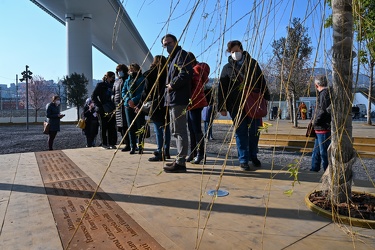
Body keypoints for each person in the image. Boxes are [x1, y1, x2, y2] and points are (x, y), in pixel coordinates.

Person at [218, 40, 270, 171]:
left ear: (242, 50)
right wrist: (222, 106)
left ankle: (253, 155)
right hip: (236, 105)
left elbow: (261, 80)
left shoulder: (252, 64)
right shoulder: (227, 68)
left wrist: (266, 97)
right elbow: (222, 88)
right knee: (240, 132)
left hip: (253, 103)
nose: (235, 53)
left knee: (254, 131)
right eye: (232, 52)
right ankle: (243, 159)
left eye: (237, 51)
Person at [161, 34, 193, 173]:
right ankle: (179, 158)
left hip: (178, 98)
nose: (167, 46)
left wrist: (172, 85)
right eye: (164, 44)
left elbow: (185, 73)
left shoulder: (181, 55)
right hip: (173, 98)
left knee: (179, 130)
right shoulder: (172, 58)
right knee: (175, 130)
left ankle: (181, 162)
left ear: (175, 42)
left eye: (169, 43)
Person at [136, 55, 171, 161]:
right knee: (167, 129)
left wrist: (140, 104)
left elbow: (145, 91)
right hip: (167, 103)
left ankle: (160, 151)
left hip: (155, 104)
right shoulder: (169, 72)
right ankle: (166, 151)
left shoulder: (151, 74)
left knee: (158, 129)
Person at [186, 52, 209, 164]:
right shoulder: (194, 70)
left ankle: (200, 154)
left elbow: (196, 89)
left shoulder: (195, 71)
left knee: (196, 130)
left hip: (194, 103)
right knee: (192, 129)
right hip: (192, 103)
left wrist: (189, 100)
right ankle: (193, 152)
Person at [122, 63, 147, 154]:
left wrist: (134, 100)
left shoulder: (142, 79)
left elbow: (143, 92)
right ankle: (133, 146)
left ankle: (140, 146)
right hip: (128, 106)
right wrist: (128, 100)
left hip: (138, 105)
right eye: (130, 70)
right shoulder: (127, 80)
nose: (131, 71)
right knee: (130, 127)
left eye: (133, 69)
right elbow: (124, 91)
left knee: (139, 126)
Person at [310, 75, 331, 172]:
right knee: (317, 150)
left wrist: (315, 121)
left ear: (316, 85)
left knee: (323, 151)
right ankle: (314, 168)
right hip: (321, 127)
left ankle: (327, 170)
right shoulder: (325, 93)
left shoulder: (324, 94)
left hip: (323, 127)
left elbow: (322, 110)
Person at [92, 71, 118, 149]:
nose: (113, 78)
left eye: (114, 77)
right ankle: (104, 143)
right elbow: (93, 96)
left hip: (112, 108)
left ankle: (111, 143)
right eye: (112, 77)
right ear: (107, 77)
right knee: (103, 126)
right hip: (103, 108)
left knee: (112, 126)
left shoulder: (114, 85)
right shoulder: (100, 85)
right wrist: (99, 105)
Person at [113, 64, 131, 151]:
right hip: (118, 107)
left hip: (126, 106)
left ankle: (129, 144)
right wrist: (113, 99)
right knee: (120, 127)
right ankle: (126, 143)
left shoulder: (128, 79)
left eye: (120, 70)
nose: (119, 72)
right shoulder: (117, 81)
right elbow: (113, 93)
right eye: (118, 71)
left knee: (126, 125)